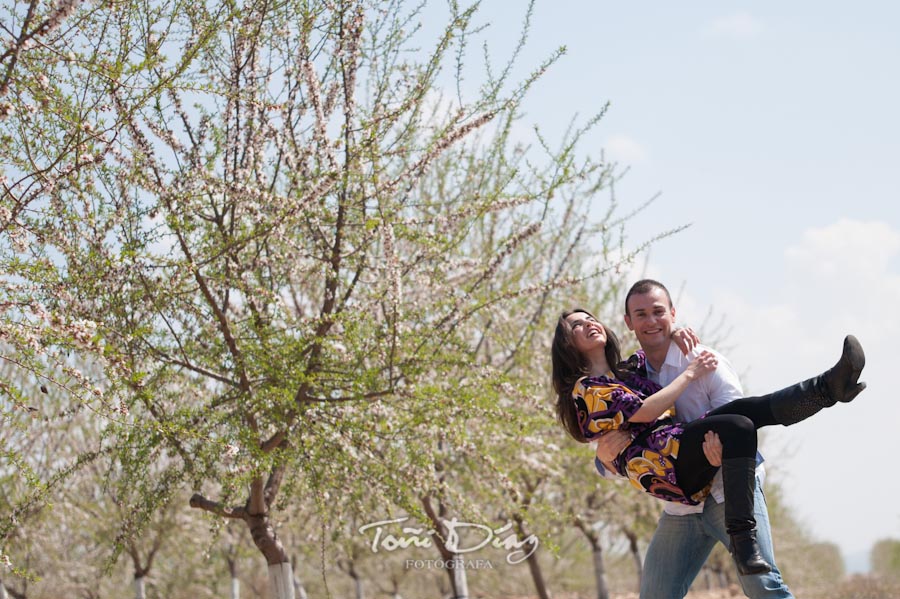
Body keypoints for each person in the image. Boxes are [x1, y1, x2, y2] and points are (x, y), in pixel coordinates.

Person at [551, 281, 866, 594]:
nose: (651, 321)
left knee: (762, 584)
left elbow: (733, 416)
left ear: (672, 314)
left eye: (658, 312)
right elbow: (627, 431)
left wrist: (678, 346)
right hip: (675, 483)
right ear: (629, 323)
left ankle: (828, 387)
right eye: (641, 314)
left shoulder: (643, 369)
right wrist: (603, 457)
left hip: (726, 489)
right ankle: (826, 389)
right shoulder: (600, 383)